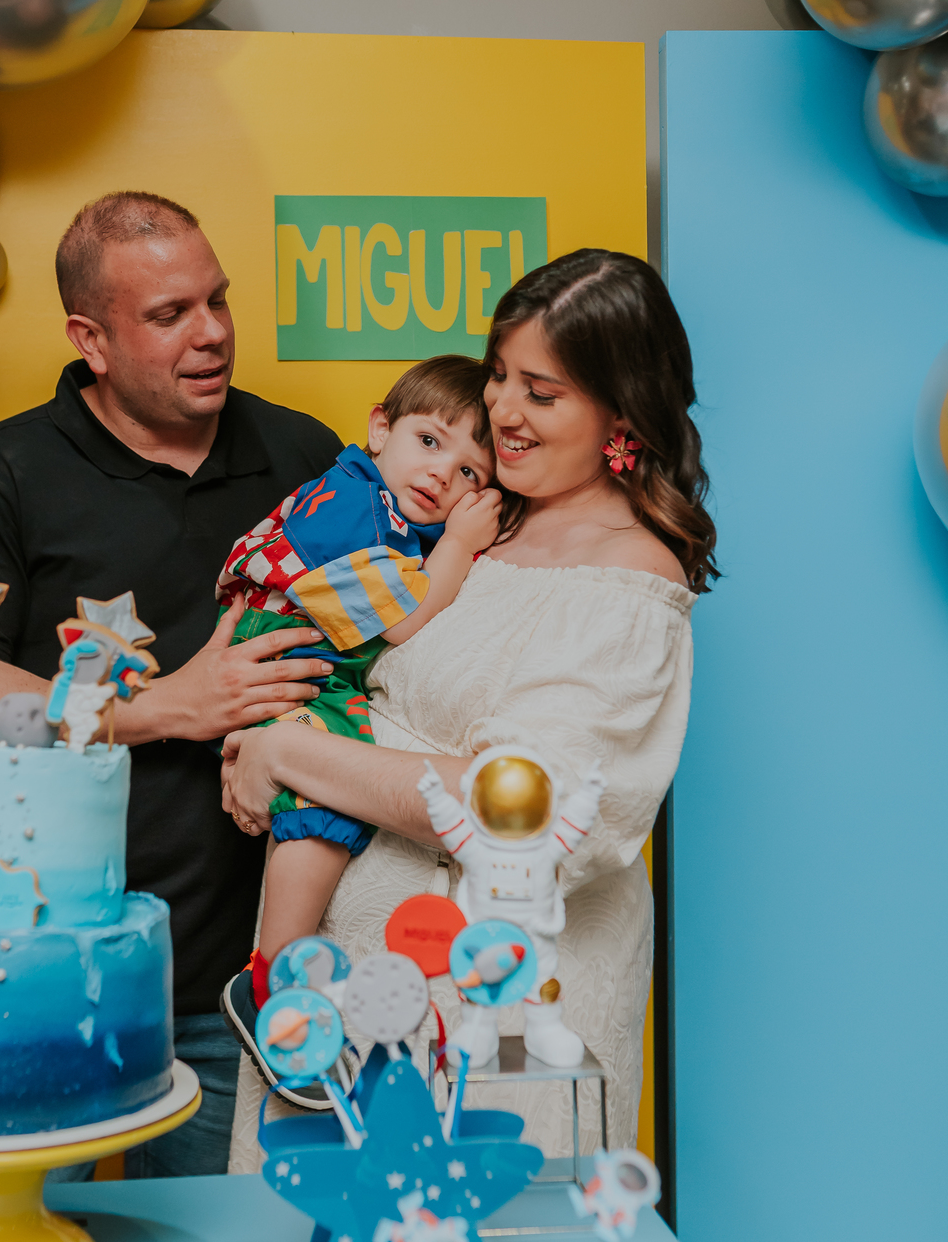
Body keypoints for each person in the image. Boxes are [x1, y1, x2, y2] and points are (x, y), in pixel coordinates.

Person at [222, 249, 716, 1165]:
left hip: (493, 1017)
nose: (502, 411)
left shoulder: (627, 580)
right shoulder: (485, 517)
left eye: (542, 391)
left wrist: (289, 754)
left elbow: (518, 807)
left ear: (621, 410)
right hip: (347, 993)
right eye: (498, 377)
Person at [0, 191, 342, 1176]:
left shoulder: (305, 457)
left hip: (245, 988)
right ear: (91, 338)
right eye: (170, 314)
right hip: (49, 973)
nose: (213, 332)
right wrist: (164, 706)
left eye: (216, 300)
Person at [216, 356, 500, 1094]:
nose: (443, 476)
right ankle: (274, 982)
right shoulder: (358, 510)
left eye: (471, 472)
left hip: (296, 649)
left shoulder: (377, 501)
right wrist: (463, 544)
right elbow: (403, 621)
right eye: (430, 442)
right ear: (380, 428)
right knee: (324, 798)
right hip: (291, 656)